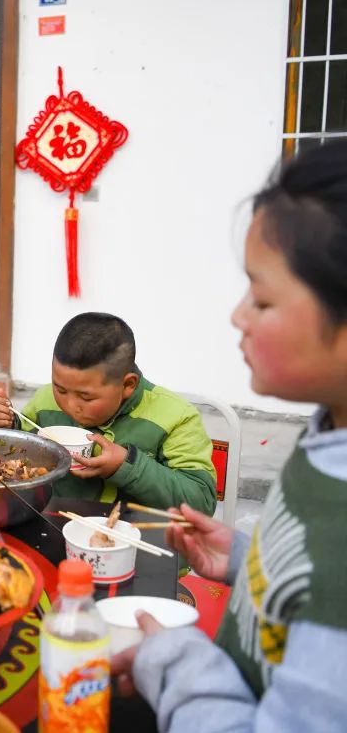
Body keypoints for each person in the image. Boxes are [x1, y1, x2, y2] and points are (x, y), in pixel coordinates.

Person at [110, 141, 347, 732]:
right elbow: (309, 587)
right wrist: (250, 563)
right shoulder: (327, 436)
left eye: (262, 297)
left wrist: (176, 661)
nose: (238, 315)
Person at [0, 312, 216, 514]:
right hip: (55, 527)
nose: (69, 404)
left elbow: (201, 502)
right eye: (60, 388)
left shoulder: (175, 416)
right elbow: (14, 460)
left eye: (86, 397)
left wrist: (127, 466)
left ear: (128, 385)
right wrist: (4, 426)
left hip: (137, 543)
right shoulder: (45, 399)